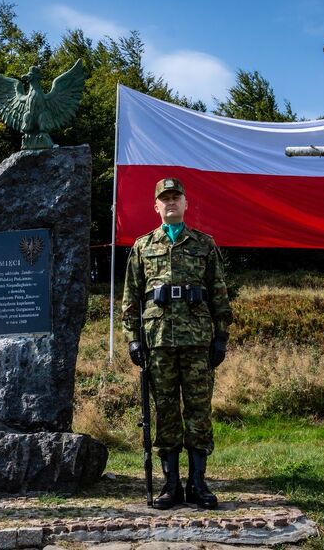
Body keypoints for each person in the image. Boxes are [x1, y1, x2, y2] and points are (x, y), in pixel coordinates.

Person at [122, 177, 232, 509]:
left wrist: (221, 337)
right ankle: (171, 485)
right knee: (166, 411)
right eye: (164, 199)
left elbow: (219, 294)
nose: (170, 203)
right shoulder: (142, 247)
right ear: (156, 206)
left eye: (176, 198)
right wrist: (132, 341)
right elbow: (130, 300)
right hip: (158, 343)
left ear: (186, 204)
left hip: (197, 341)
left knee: (199, 411)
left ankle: (197, 483)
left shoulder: (204, 244)